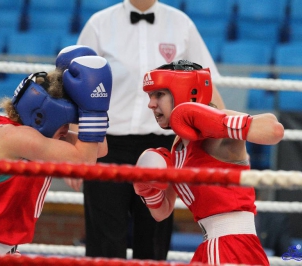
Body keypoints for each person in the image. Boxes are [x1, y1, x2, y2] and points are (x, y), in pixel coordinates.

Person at [73, 0, 225, 260]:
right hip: (106, 144)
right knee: (104, 241)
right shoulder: (99, 24)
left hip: (163, 144)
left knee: (154, 239)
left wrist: (220, 138)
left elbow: (208, 87)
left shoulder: (182, 24)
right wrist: (76, 148)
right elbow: (76, 86)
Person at [133, 60, 284, 265]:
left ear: (182, 90)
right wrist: (148, 191)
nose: (151, 104)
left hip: (232, 247)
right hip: (212, 245)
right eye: (150, 96)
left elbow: (274, 130)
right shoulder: (177, 146)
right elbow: (162, 212)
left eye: (159, 94)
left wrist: (216, 122)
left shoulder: (216, 128)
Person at [0, 46, 112, 254]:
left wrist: (84, 104)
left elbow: (98, 149)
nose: (67, 130)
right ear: (43, 117)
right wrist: (91, 110)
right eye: (66, 122)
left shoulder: (36, 135)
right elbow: (85, 162)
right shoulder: (14, 137)